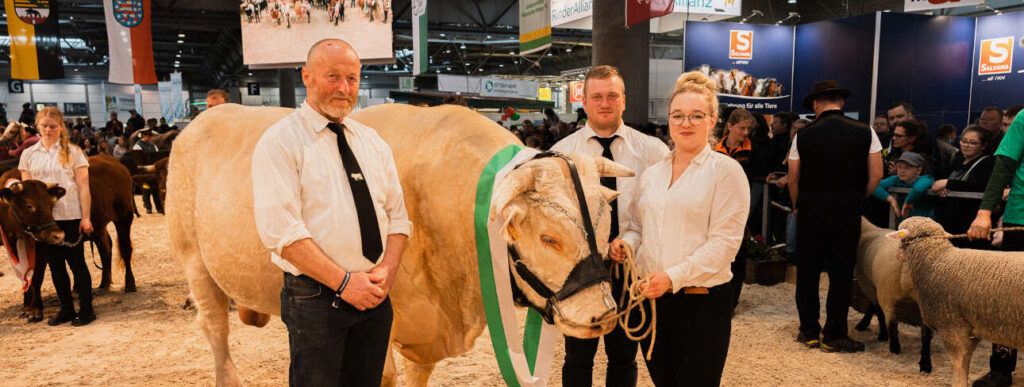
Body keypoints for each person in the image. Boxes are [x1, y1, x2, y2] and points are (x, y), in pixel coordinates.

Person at [252, 38, 411, 386]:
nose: (344, 88)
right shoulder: (280, 142)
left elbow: (398, 218)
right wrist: (343, 283)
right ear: (307, 77)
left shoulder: (372, 142)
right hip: (315, 298)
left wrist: (388, 269)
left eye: (352, 79)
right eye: (333, 77)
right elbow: (281, 231)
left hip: (373, 296)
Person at [610, 71, 749, 386]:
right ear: (669, 119)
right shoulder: (651, 174)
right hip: (652, 299)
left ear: (713, 120)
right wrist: (627, 245)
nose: (686, 123)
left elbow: (724, 245)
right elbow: (637, 228)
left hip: (701, 302)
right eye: (678, 116)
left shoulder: (726, 172)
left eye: (696, 116)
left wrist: (671, 277)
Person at [550, 65, 669, 387]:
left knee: (623, 356)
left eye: (612, 96)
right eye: (597, 97)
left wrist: (631, 242)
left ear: (624, 100)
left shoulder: (653, 152)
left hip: (631, 269)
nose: (605, 103)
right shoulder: (561, 154)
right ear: (584, 102)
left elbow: (659, 214)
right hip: (580, 273)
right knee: (577, 356)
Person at [788, 80, 883, 352]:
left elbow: (793, 178)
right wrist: (856, 197)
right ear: (841, 102)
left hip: (809, 211)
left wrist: (798, 205)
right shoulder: (866, 132)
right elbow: (876, 174)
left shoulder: (802, 136)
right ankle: (835, 335)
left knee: (807, 272)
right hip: (847, 211)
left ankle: (808, 331)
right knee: (841, 272)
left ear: (816, 104)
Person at [18, 107, 95, 326]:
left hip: (70, 215)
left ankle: (87, 310)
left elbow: (83, 187)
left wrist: (86, 217)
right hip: (45, 221)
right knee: (55, 266)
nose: (48, 130)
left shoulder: (74, 152)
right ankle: (67, 309)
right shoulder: (28, 154)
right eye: (44, 126)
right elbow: (28, 191)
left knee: (77, 263)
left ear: (61, 127)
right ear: (37, 127)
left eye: (53, 126)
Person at [967, 112, 1024, 387]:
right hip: (1021, 219)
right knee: (1007, 299)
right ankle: (1001, 368)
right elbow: (1003, 166)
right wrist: (985, 212)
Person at [713, 108, 764, 308]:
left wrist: (745, 213)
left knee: (738, 257)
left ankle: (731, 301)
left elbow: (758, 185)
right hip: (717, 210)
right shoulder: (714, 149)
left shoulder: (755, 150)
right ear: (730, 126)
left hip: (741, 213)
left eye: (748, 129)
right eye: (742, 128)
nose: (745, 132)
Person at [932, 126, 994, 249]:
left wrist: (949, 184)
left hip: (969, 221)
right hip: (948, 221)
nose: (966, 145)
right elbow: (940, 181)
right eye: (963, 141)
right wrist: (943, 188)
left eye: (972, 143)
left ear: (983, 146)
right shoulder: (957, 160)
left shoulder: (987, 162)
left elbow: (981, 186)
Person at [873, 152, 935, 219]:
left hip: (924, 223)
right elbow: (874, 186)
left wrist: (907, 202)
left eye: (907, 168)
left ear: (919, 170)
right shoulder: (896, 178)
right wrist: (891, 200)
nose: (902, 171)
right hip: (903, 223)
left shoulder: (926, 179)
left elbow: (918, 189)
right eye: (899, 167)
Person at [133, 130, 158, 214]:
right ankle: (148, 208)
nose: (150, 137)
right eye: (149, 135)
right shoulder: (137, 146)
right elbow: (138, 162)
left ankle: (159, 208)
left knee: (156, 190)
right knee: (146, 190)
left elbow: (157, 156)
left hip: (153, 171)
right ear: (144, 136)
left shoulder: (153, 145)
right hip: (144, 172)